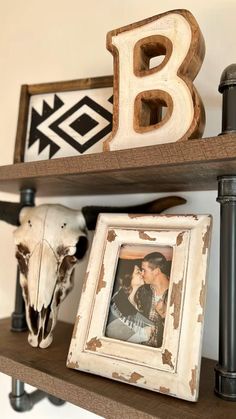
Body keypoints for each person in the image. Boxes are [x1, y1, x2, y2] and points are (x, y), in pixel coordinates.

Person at [105, 261, 154, 343]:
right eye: (138, 272)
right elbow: (113, 332)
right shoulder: (117, 303)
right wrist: (145, 333)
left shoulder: (141, 298)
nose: (142, 273)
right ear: (128, 277)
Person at [140, 251, 171, 347]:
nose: (142, 273)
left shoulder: (176, 293)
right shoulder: (143, 291)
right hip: (141, 347)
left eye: (144, 270)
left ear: (156, 271)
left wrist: (164, 316)